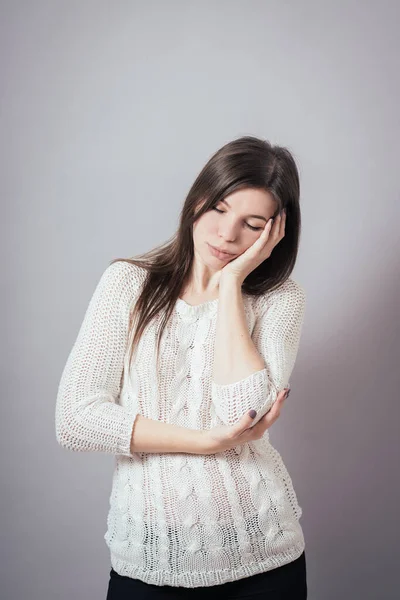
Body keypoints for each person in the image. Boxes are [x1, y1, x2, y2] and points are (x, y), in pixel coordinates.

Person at [55, 135, 308, 599]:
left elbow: (244, 412)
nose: (227, 234)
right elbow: (75, 419)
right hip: (147, 556)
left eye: (251, 224)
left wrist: (232, 283)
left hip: (263, 553)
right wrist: (204, 442)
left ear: (274, 235)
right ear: (196, 199)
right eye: (218, 209)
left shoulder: (278, 301)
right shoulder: (128, 284)